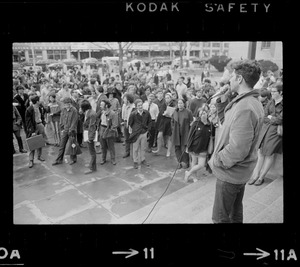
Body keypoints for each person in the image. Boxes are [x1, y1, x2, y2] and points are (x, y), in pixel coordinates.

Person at [208, 60, 264, 223]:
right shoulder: (249, 101)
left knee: (220, 218)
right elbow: (229, 124)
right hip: (239, 171)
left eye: (232, 76)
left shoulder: (245, 107)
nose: (229, 80)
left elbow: (238, 148)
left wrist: (217, 160)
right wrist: (222, 101)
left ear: (239, 79)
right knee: (235, 213)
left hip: (230, 173)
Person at [248, 82, 283, 186]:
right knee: (260, 153)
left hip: (275, 133)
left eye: (274, 91)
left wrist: (271, 118)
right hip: (265, 130)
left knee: (269, 154)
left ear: (281, 92)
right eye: (271, 91)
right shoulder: (271, 101)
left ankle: (261, 177)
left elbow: (280, 120)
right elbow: (264, 115)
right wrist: (273, 118)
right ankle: (255, 175)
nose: (272, 93)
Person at [185, 104, 211, 182]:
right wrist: (188, 146)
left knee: (201, 165)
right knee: (194, 161)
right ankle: (194, 176)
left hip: (203, 148)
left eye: (203, 113)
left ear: (207, 114)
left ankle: (188, 173)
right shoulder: (195, 123)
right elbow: (190, 136)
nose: (202, 115)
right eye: (200, 114)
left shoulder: (210, 125)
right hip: (194, 147)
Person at [52, 97, 79, 166]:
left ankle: (73, 159)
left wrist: (71, 130)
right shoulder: (63, 110)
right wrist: (61, 129)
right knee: (62, 145)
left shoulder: (74, 110)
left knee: (72, 145)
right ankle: (59, 159)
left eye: (68, 104)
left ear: (70, 104)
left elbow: (74, 121)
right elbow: (61, 119)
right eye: (66, 104)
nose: (67, 105)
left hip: (72, 131)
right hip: (65, 130)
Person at [128, 99, 151, 169]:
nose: (140, 107)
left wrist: (147, 130)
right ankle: (135, 161)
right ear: (136, 107)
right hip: (136, 134)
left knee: (143, 147)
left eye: (141, 105)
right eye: (139, 105)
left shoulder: (146, 113)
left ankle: (143, 159)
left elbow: (149, 121)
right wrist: (135, 129)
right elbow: (130, 123)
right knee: (135, 148)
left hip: (144, 133)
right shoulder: (133, 114)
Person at [25, 95, 46, 168]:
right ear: (37, 101)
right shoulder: (29, 109)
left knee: (40, 142)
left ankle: (39, 156)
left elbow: (42, 116)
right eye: (39, 100)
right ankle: (31, 160)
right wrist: (32, 131)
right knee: (32, 143)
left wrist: (43, 123)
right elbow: (28, 121)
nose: (40, 101)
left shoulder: (40, 108)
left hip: (40, 125)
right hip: (33, 127)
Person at [171, 98, 194, 168]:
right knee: (177, 148)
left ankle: (185, 162)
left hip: (185, 132)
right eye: (178, 103)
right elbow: (172, 122)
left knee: (184, 148)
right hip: (176, 133)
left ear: (184, 104)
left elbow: (191, 122)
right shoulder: (175, 112)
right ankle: (179, 162)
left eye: (181, 103)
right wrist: (173, 129)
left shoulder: (188, 112)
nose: (180, 105)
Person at [153, 92, 176, 157]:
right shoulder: (164, 104)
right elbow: (161, 113)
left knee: (169, 137)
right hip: (163, 122)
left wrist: (169, 114)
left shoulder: (173, 105)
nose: (167, 99)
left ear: (171, 98)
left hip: (170, 122)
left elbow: (174, 114)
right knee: (159, 136)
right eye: (166, 98)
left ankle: (168, 152)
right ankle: (158, 149)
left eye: (168, 98)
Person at [98, 100, 118, 165]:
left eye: (102, 105)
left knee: (111, 146)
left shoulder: (112, 113)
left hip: (108, 130)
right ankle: (103, 159)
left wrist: (110, 130)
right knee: (103, 146)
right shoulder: (102, 112)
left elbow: (115, 124)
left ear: (106, 106)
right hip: (102, 128)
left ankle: (113, 159)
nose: (100, 106)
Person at [81, 100, 97, 174]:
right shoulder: (88, 113)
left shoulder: (91, 114)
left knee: (92, 152)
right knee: (91, 151)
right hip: (87, 132)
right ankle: (93, 166)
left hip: (90, 133)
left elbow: (92, 126)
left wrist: (90, 137)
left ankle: (92, 168)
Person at [121, 93, 136, 158]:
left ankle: (134, 153)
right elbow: (123, 115)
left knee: (133, 139)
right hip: (125, 123)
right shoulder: (124, 106)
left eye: (124, 99)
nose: (123, 100)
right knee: (126, 138)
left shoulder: (134, 107)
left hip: (132, 125)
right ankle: (127, 152)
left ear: (128, 100)